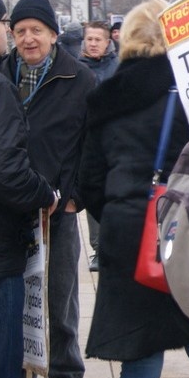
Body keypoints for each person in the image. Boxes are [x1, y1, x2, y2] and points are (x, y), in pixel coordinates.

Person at [78, 0, 189, 378]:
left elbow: (90, 180)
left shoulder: (106, 98)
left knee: (141, 359)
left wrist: (122, 211)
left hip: (129, 237)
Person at [0, 0, 96, 378]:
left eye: (36, 30)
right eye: (19, 31)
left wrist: (76, 197)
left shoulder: (79, 79)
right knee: (17, 309)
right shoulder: (0, 75)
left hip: (58, 215)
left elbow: (92, 148)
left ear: (53, 35)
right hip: (9, 214)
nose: (28, 39)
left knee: (60, 307)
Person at [0, 0, 59, 378]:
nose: (10, 33)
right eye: (4, 25)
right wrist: (44, 193)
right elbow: (5, 171)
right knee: (1, 367)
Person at [79, 20, 120, 272]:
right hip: (88, 141)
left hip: (114, 141)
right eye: (89, 39)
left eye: (98, 39)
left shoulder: (118, 67)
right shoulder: (77, 69)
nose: (93, 44)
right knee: (92, 190)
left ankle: (113, 244)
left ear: (108, 42)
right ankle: (97, 248)